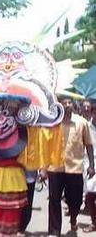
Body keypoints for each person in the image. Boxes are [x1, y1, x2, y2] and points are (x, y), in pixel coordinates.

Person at [43, 96, 95, 235]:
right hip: (55, 168)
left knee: (76, 201)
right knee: (54, 200)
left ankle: (73, 218)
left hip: (75, 169)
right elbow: (46, 146)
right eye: (64, 103)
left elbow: (89, 144)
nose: (67, 105)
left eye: (69, 102)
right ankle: (54, 231)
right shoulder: (53, 123)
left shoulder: (81, 122)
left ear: (73, 105)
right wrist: (42, 169)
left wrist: (92, 165)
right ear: (60, 105)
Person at [82, 102, 96, 233]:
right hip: (90, 164)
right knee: (91, 194)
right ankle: (93, 223)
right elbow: (86, 146)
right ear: (92, 113)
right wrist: (91, 165)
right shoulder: (87, 126)